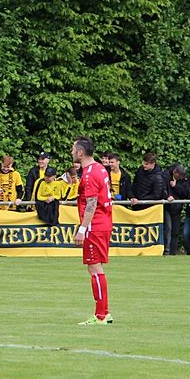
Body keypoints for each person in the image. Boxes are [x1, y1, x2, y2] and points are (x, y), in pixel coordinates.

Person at [72, 137, 114, 325]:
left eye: (73, 149)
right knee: (97, 267)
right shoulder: (100, 168)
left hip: (94, 225)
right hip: (104, 221)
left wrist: (82, 229)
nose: (72, 152)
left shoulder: (89, 174)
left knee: (94, 267)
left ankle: (100, 315)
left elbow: (91, 203)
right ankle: (105, 312)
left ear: (80, 152)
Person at [165, 164, 190, 255]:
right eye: (179, 176)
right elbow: (162, 189)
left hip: (177, 207)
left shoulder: (183, 180)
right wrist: (167, 196)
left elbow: (186, 194)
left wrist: (176, 186)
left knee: (175, 231)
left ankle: (173, 252)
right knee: (168, 229)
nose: (180, 178)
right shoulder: (165, 176)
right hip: (167, 207)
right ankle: (166, 251)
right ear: (174, 172)